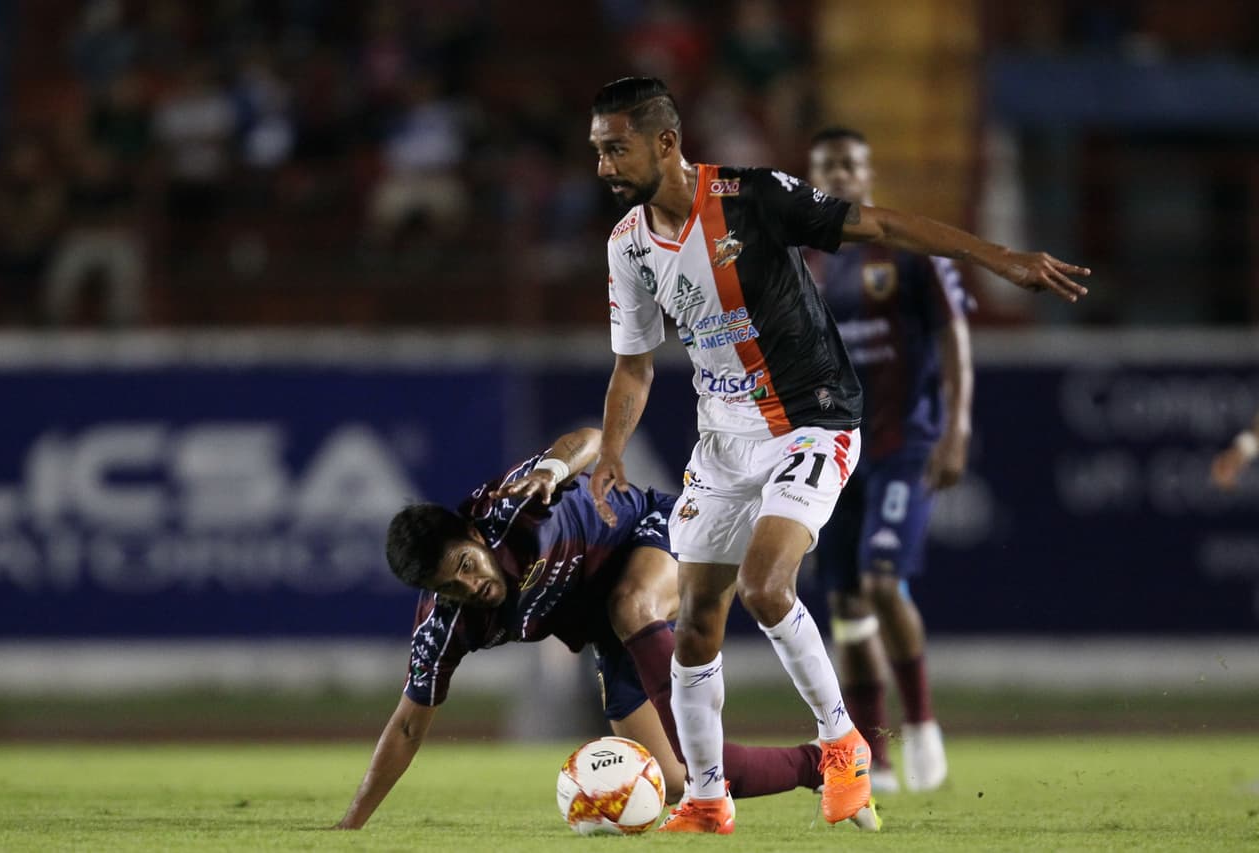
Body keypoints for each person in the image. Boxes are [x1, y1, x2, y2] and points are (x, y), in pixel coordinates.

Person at [587, 76, 1088, 834]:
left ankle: (843, 743)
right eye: (596, 150)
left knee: (765, 584)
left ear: (665, 143)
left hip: (812, 419)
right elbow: (635, 362)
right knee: (695, 620)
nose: (602, 166)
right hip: (723, 440)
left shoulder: (753, 199)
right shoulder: (629, 246)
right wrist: (611, 452)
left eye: (615, 147)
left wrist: (998, 256)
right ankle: (708, 797)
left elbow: (880, 224)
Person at [335, 427, 831, 830]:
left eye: (467, 564)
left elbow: (589, 439)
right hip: (608, 625)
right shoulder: (444, 625)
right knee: (676, 779)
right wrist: (352, 823)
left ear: (473, 534)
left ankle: (716, 771)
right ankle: (824, 766)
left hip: (653, 529)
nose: (472, 586)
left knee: (631, 604)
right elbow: (406, 724)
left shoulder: (508, 507)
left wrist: (552, 468)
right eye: (451, 587)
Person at [805, 126, 973, 793]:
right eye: (828, 167)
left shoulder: (908, 248)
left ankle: (925, 726)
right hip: (834, 452)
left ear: (868, 173)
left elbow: (955, 335)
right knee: (845, 602)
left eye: (851, 164)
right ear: (813, 180)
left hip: (905, 443)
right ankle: (872, 754)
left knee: (881, 580)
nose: (841, 175)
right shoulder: (806, 263)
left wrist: (957, 427)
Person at [1211, 410, 1259, 490]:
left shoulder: (1233, 424)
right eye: (1233, 477)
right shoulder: (1250, 454)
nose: (1233, 472)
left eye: (1225, 467)